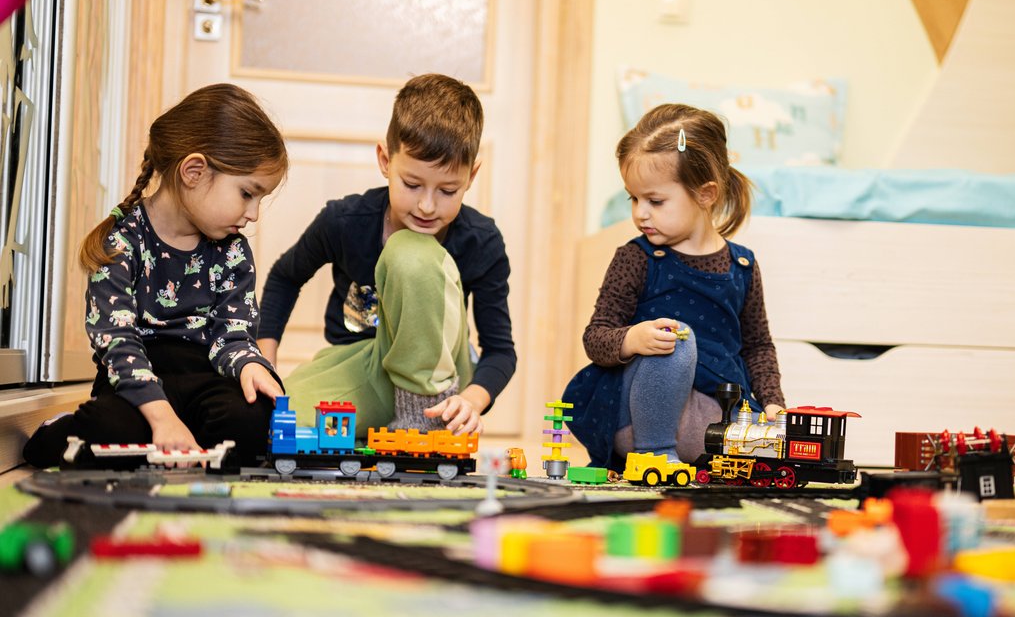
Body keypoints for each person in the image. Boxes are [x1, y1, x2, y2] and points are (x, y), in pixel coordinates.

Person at [23, 83, 288, 468]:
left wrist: (252, 366)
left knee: (251, 422)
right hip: (133, 378)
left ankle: (178, 436)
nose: (254, 214)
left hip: (205, 375)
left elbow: (233, 333)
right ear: (193, 171)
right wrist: (161, 416)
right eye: (248, 194)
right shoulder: (121, 242)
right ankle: (60, 430)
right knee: (112, 432)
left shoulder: (232, 250)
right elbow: (117, 344)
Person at [258, 74, 514, 436]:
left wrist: (471, 400)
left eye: (448, 190)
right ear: (384, 160)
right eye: (412, 184)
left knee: (411, 250)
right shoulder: (344, 221)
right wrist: (264, 362)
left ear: (471, 176)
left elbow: (500, 350)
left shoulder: (481, 240)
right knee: (263, 421)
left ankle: (420, 416)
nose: (427, 206)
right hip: (363, 367)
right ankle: (383, 421)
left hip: (444, 378)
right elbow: (286, 276)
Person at [562, 103, 785, 472]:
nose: (639, 213)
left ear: (706, 193)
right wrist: (632, 339)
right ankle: (655, 454)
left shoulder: (742, 266)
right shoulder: (638, 258)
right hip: (638, 413)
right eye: (633, 198)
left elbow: (758, 346)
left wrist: (774, 401)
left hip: (712, 414)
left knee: (768, 438)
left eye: (655, 201)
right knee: (677, 337)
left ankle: (705, 458)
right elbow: (595, 337)